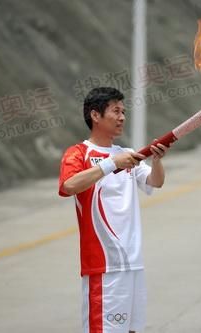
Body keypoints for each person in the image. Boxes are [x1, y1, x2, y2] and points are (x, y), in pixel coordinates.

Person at [58, 87, 169, 333]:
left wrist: (157, 160)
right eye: (115, 111)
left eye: (124, 111)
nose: (122, 117)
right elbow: (69, 186)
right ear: (95, 115)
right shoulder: (79, 153)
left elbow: (155, 182)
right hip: (103, 265)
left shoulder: (127, 154)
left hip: (133, 262)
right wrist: (110, 164)